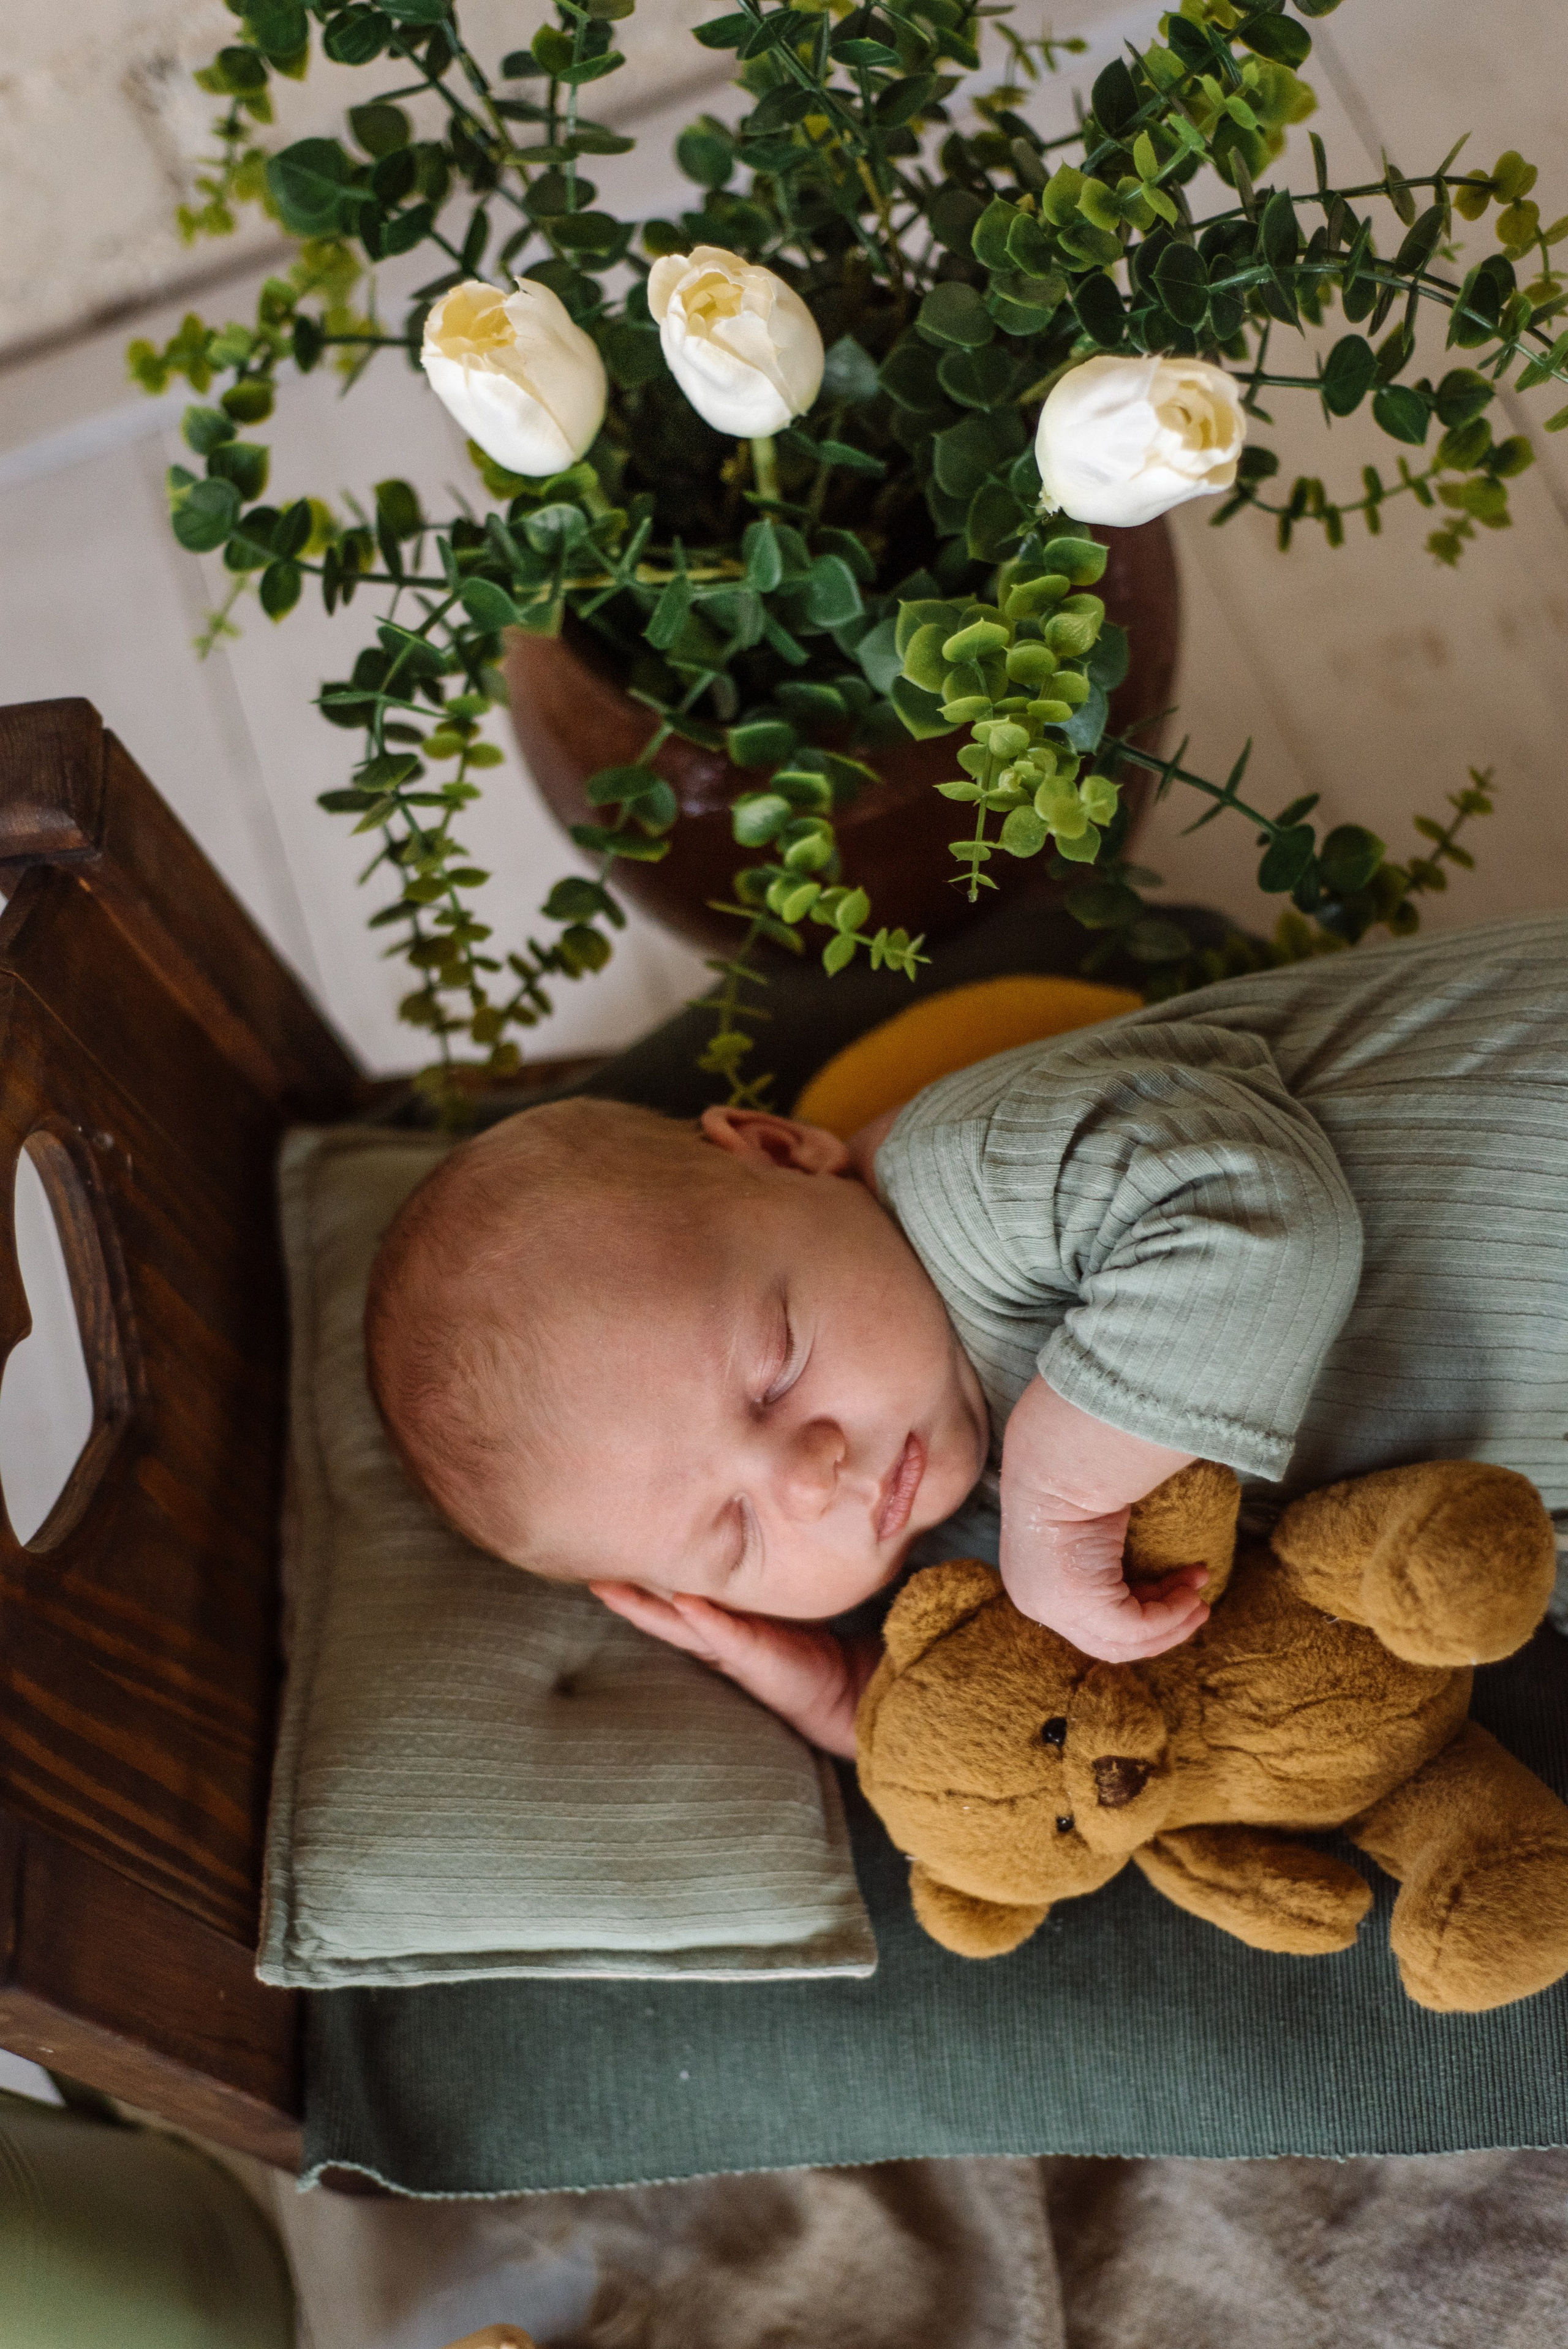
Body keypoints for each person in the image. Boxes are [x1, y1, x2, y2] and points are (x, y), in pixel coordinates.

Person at [366, 911, 1568, 1760]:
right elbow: (1055, 1729)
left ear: (786, 1151)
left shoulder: (971, 1178)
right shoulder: (960, 1531)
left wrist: (1061, 1500)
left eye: (775, 1370)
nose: (806, 1476)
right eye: (731, 1534)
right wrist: (860, 1703)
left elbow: (1257, 1215)